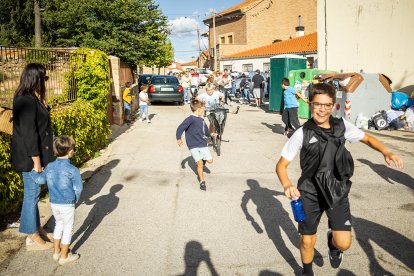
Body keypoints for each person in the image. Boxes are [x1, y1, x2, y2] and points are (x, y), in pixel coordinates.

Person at [275, 83, 404, 276]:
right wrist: (287, 184)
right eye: (318, 104)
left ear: (334, 105)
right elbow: (281, 165)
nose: (322, 109)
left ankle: (332, 244)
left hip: (336, 189)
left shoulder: (342, 126)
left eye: (327, 105)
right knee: (307, 240)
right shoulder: (302, 133)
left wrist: (386, 151)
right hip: (310, 191)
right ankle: (307, 271)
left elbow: (367, 139)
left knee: (343, 242)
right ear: (310, 104)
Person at [11, 63, 55, 251]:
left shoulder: (31, 98)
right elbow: (29, 133)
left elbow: (39, 124)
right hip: (31, 158)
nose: (45, 81)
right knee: (31, 195)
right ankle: (31, 235)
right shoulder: (25, 100)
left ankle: (36, 227)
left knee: (34, 194)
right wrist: (36, 161)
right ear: (34, 78)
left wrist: (44, 104)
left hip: (36, 156)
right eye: (43, 78)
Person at [44, 135, 83, 265]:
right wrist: (75, 199)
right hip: (67, 203)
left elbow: (42, 180)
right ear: (70, 151)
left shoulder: (49, 166)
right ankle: (64, 256)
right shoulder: (73, 170)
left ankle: (56, 252)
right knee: (67, 229)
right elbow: (78, 188)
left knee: (58, 224)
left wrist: (33, 173)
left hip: (54, 202)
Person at [176, 100, 213, 191]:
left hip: (203, 143)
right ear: (199, 109)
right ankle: (202, 182)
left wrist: (210, 135)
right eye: (203, 109)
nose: (204, 111)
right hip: (193, 145)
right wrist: (178, 138)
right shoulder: (190, 119)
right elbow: (181, 128)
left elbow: (206, 131)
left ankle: (202, 160)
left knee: (210, 161)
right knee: (199, 164)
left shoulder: (201, 120)